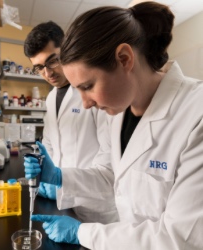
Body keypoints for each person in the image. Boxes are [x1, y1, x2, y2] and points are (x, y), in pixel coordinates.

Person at [24, 2, 203, 250]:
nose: (85, 104)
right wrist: (59, 176)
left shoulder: (196, 115)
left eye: (87, 87)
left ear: (124, 59)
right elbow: (111, 177)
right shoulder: (120, 112)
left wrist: (83, 234)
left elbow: (180, 238)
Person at [24, 21, 119, 224]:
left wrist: (60, 177)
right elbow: (49, 144)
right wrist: (41, 169)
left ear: (66, 48)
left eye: (52, 61)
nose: (47, 73)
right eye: (39, 67)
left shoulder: (93, 91)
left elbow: (109, 162)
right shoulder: (50, 98)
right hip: (65, 201)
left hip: (97, 207)